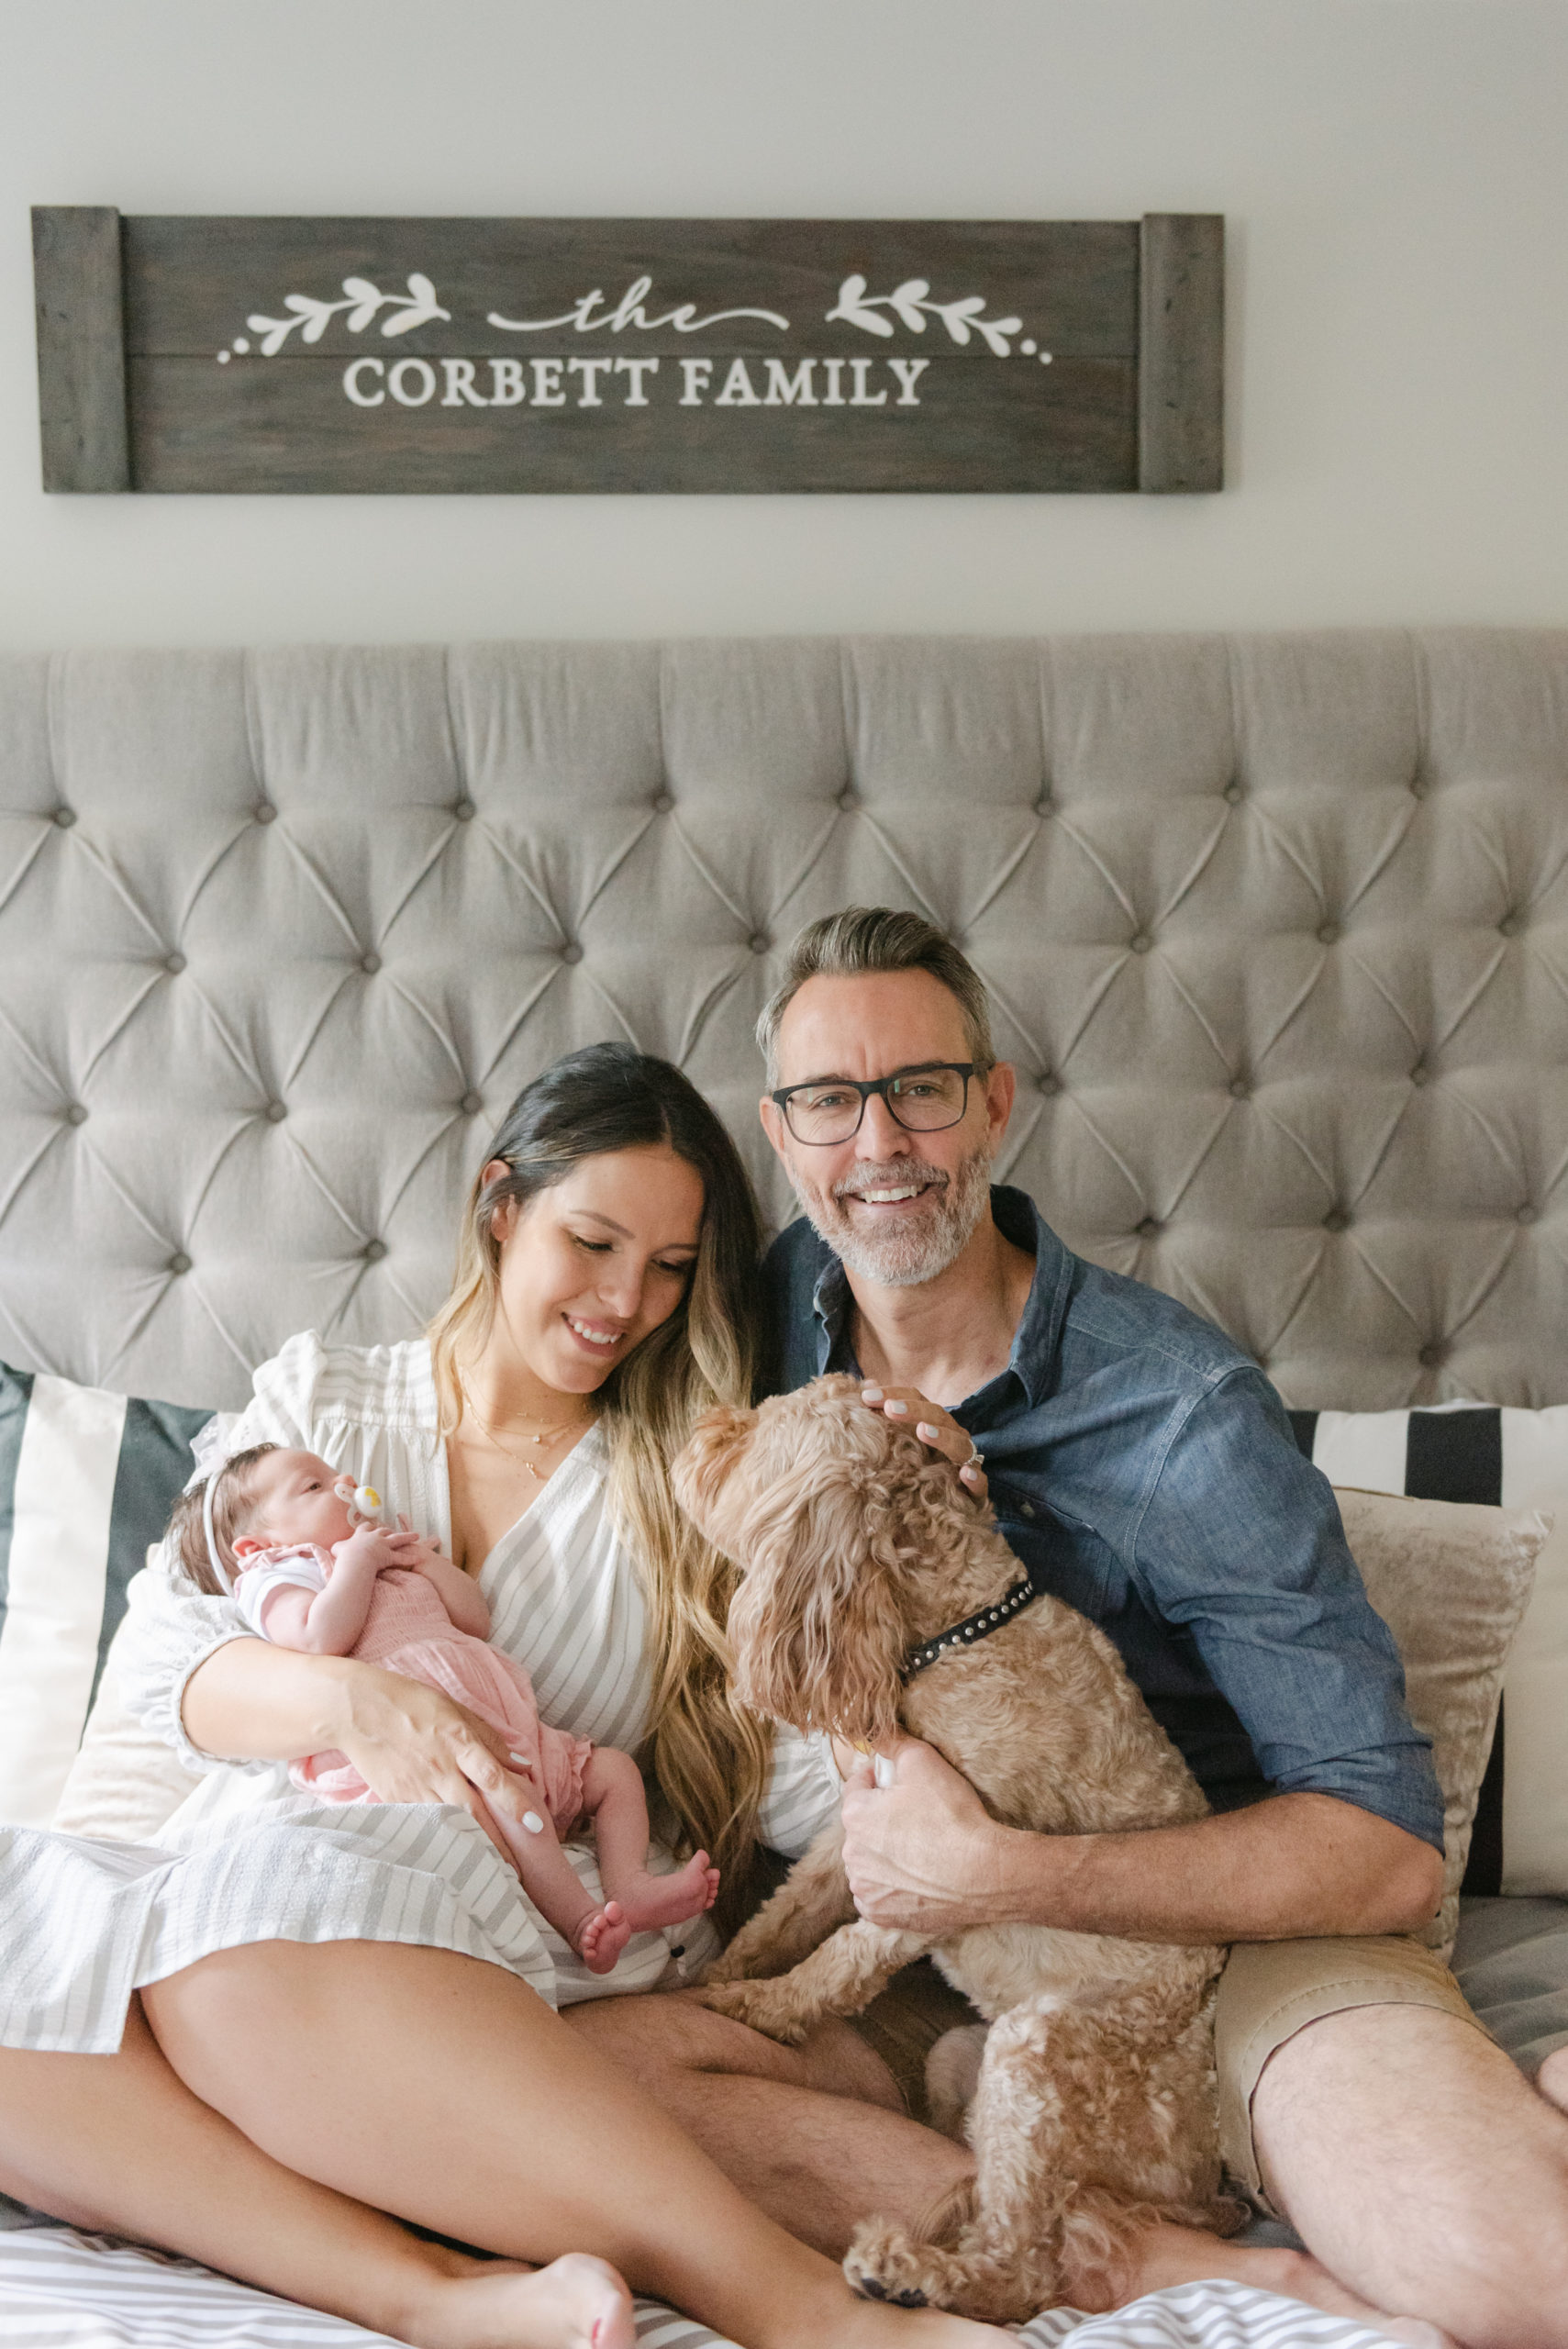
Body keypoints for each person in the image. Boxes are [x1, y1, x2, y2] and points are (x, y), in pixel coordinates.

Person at [568, 909, 1568, 2349]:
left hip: (1246, 1951)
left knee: (1526, 2283)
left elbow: (1385, 1843)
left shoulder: (1180, 1418)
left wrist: (1002, 1869)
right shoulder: (754, 1315)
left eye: (919, 1089)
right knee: (593, 2074)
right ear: (781, 1134)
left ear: (993, 1102)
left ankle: (1467, 2139)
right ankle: (1116, 2251)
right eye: (829, 1103)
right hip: (938, 1975)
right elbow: (530, 1375)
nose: (880, 1146)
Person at [0, 1041, 1006, 2349]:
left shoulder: (687, 1477)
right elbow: (160, 1671)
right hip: (259, 1864)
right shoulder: (324, 1406)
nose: (623, 1303)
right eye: (591, 1243)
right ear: (498, 1207)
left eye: (667, 1269)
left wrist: (949, 1691)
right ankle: (432, 2290)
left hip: (497, 1922)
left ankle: (794, 2305)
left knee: (240, 1958)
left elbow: (812, 1754)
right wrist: (360, 1709)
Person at [176, 1442, 720, 1972]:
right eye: (315, 1486)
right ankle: (579, 1921)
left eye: (336, 1473)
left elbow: (473, 1620)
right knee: (514, 1801)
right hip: (431, 1762)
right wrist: (356, 1566)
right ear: (255, 1546)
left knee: (614, 1772)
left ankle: (631, 1884)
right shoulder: (282, 1574)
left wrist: (425, 1564)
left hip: (507, 1728)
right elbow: (320, 1639)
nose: (343, 1484)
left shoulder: (383, 1551)